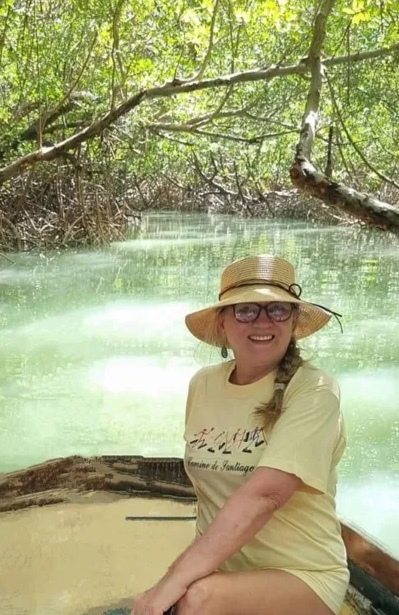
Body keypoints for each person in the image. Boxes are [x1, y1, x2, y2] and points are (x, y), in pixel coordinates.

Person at [132, 254, 348, 615]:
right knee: (194, 594)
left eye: (277, 310)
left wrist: (170, 582)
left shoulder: (315, 390)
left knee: (197, 600)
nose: (263, 321)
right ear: (223, 321)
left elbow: (266, 496)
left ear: (293, 321)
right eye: (246, 309)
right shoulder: (203, 384)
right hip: (222, 571)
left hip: (303, 576)